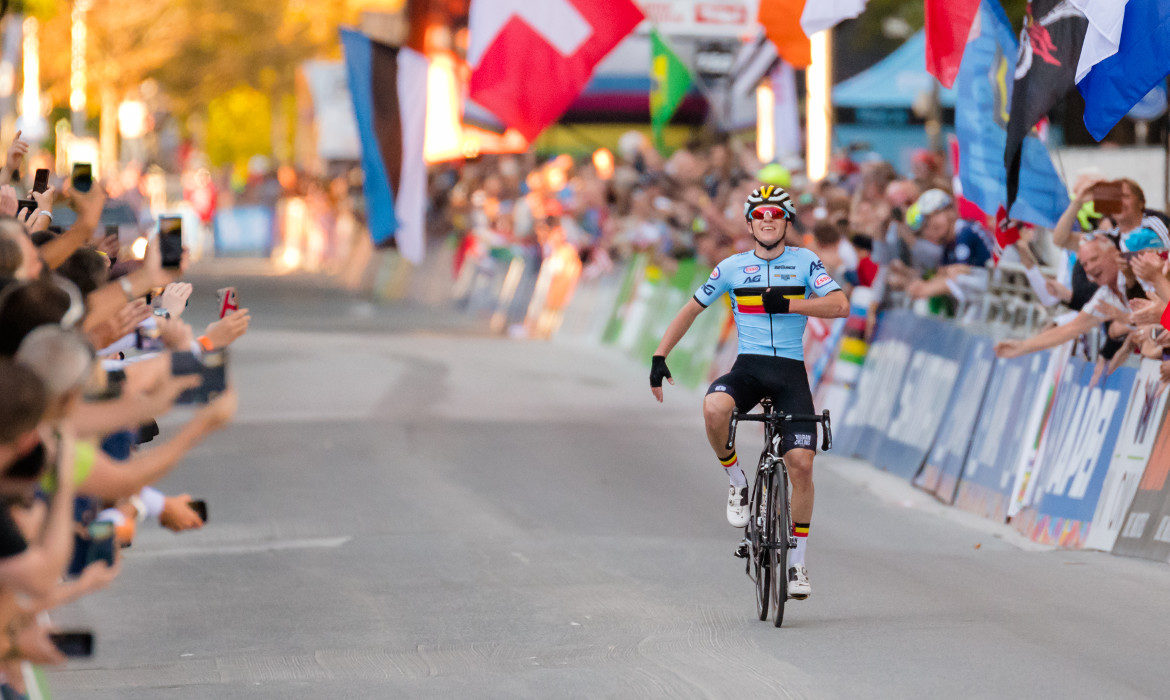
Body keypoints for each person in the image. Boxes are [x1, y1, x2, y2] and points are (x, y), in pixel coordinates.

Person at [648, 186, 848, 599]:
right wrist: (660, 354)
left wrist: (790, 305)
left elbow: (840, 305)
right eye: (760, 215)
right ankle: (737, 480)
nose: (768, 220)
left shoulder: (806, 262)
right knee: (714, 407)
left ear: (787, 221)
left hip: (791, 371)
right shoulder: (733, 268)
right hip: (750, 367)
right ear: (751, 223)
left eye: (776, 213)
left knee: (802, 465)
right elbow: (691, 309)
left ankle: (797, 564)